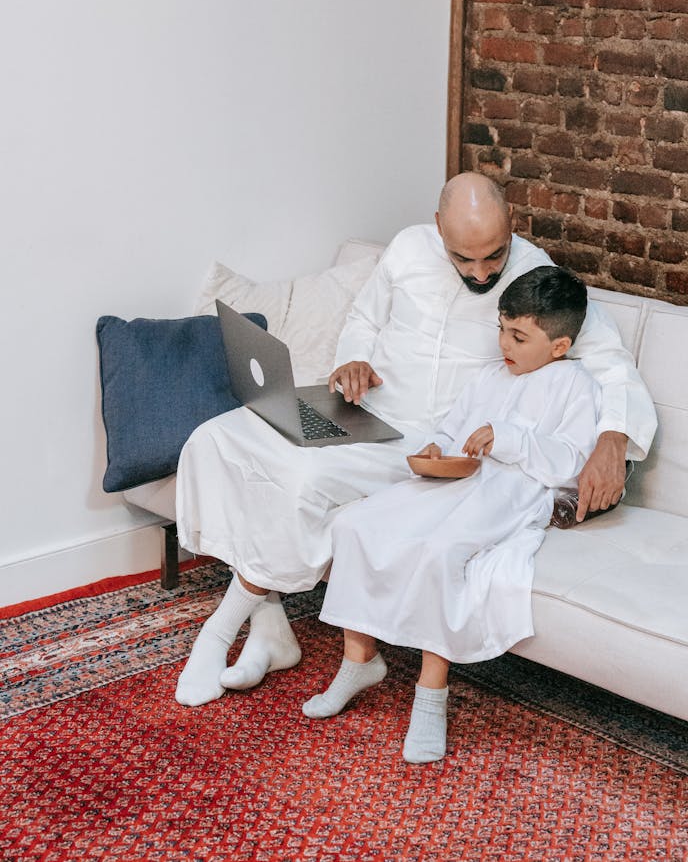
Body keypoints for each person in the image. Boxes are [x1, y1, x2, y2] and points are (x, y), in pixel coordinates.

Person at [174, 173, 656, 707]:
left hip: (427, 444)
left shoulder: (538, 276)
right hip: (362, 409)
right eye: (463, 258)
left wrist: (613, 438)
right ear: (436, 229)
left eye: (492, 257)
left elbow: (610, 364)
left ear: (513, 226)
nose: (479, 273)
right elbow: (363, 318)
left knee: (303, 478)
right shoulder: (406, 248)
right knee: (218, 437)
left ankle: (224, 630)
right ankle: (269, 625)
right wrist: (351, 361)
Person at [302, 265, 599, 763]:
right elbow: (453, 426)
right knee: (355, 524)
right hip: (455, 481)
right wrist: (437, 446)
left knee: (440, 551)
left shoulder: (576, 386)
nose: (504, 343)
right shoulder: (490, 374)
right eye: (502, 328)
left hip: (511, 491)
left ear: (559, 346)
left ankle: (431, 693)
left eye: (519, 335)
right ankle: (359, 659)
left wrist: (510, 437)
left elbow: (570, 461)